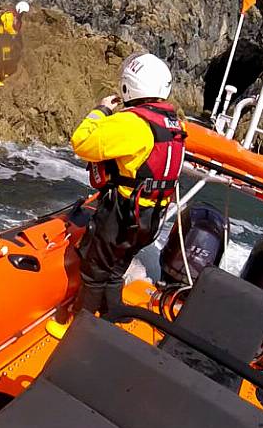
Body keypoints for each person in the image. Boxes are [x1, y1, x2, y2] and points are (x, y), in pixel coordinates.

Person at [70, 52, 187, 315]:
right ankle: (112, 312)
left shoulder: (132, 122)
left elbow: (81, 143)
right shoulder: (173, 124)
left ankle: (80, 325)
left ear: (128, 86)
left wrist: (101, 110)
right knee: (117, 268)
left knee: (95, 270)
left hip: (122, 213)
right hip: (151, 217)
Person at [0, 1, 29, 87]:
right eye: (23, 12)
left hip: (9, 39)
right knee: (1, 56)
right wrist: (14, 34)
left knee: (8, 56)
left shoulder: (17, 18)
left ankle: (3, 73)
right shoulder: (9, 15)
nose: (23, 14)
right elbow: (8, 28)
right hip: (3, 37)